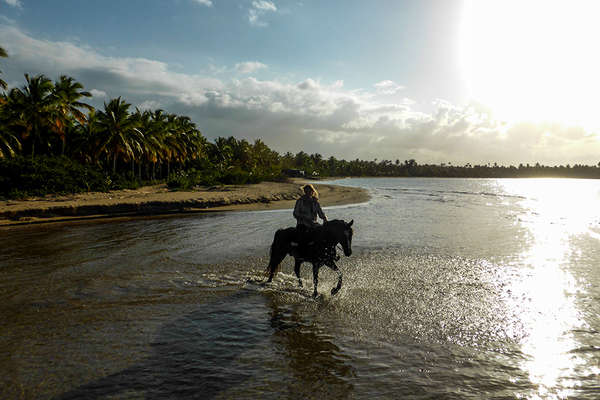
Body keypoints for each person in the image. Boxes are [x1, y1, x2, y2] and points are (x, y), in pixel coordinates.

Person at [293, 184, 327, 252]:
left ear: (312, 191)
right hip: (302, 224)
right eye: (306, 191)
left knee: (324, 234)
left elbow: (320, 213)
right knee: (302, 237)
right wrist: (304, 218)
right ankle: (300, 253)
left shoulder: (315, 202)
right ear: (304, 192)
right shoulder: (300, 201)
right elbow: (295, 213)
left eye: (309, 191)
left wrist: (325, 219)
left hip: (314, 224)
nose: (308, 193)